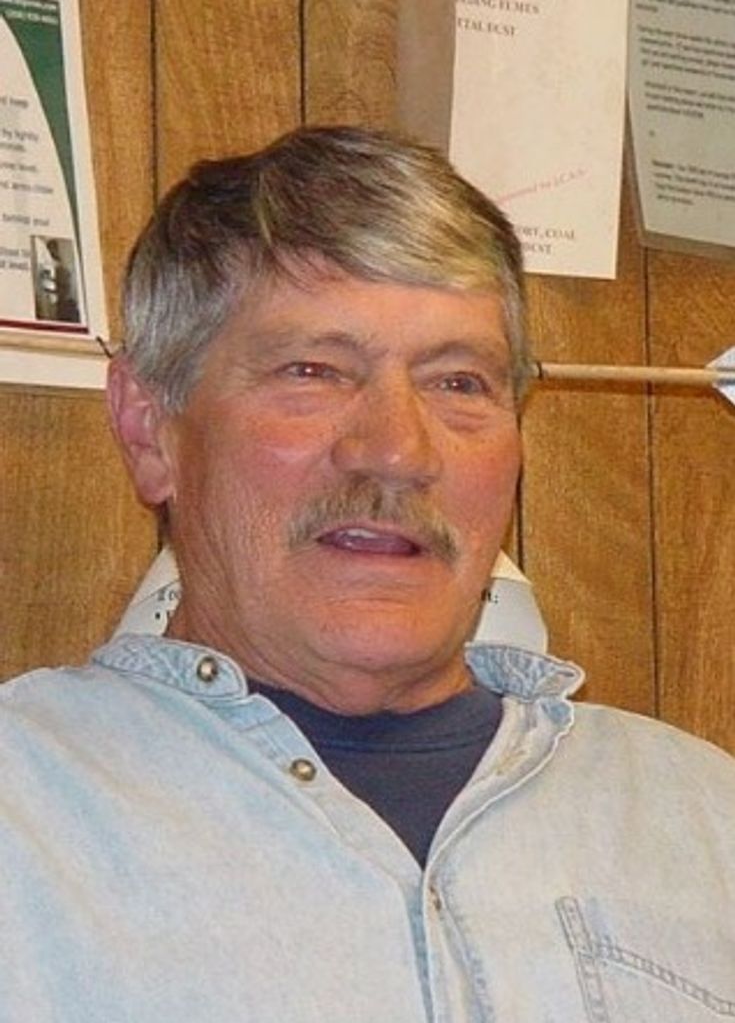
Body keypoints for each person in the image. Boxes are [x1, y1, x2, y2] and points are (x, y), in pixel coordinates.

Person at [1, 125, 733, 1022]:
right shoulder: (25, 817)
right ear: (150, 431)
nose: (396, 451)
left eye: (458, 382)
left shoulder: (703, 821)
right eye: (312, 371)